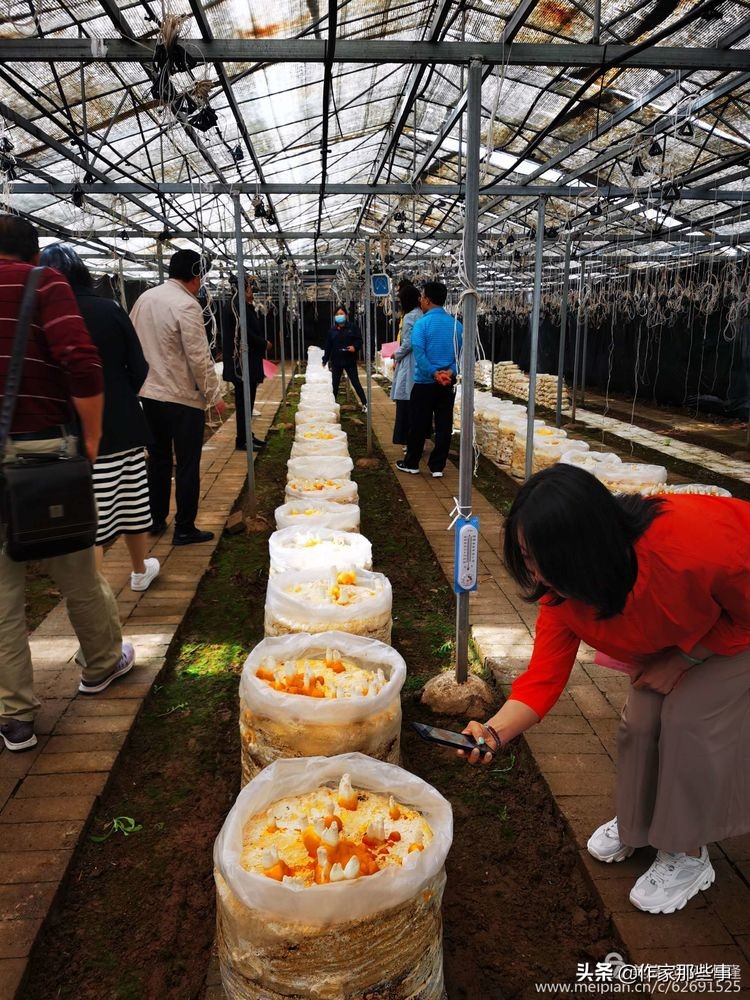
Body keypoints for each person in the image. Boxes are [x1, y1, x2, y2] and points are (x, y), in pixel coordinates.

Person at [461, 463, 750, 915]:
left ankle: (687, 851)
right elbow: (542, 679)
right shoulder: (562, 594)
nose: (535, 574)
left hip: (738, 625)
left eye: (542, 560)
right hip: (690, 626)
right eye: (526, 556)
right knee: (640, 722)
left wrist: (685, 658)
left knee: (689, 721)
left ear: (586, 551)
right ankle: (638, 826)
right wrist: (493, 734)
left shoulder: (697, 549)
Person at [0, 216, 135, 751]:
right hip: (40, 452)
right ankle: (102, 664)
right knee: (76, 565)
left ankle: (15, 716)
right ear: (33, 254)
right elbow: (81, 362)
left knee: (2, 596)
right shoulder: (43, 283)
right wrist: (93, 437)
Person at [39, 244, 159, 593]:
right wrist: (120, 395)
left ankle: (102, 589)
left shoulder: (44, 316)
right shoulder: (108, 309)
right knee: (132, 504)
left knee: (92, 516)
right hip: (122, 425)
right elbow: (139, 367)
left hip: (72, 431)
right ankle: (134, 574)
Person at [130, 249, 226, 546]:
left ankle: (155, 519)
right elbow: (198, 356)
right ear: (196, 276)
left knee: (157, 459)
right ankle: (184, 527)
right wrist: (214, 394)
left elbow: (131, 342)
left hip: (150, 394)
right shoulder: (186, 304)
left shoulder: (145, 299)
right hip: (181, 397)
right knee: (186, 463)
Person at [396, 281, 462, 479]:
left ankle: (412, 463)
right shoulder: (456, 325)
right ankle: (437, 466)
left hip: (425, 383)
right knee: (444, 425)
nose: (421, 301)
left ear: (428, 300)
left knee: (418, 423)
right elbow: (462, 356)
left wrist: (433, 373)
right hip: (446, 384)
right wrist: (449, 372)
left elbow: (420, 354)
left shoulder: (421, 324)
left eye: (422, 297)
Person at [222, 279, 271, 452]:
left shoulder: (240, 305)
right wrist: (263, 344)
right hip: (241, 366)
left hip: (246, 363)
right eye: (250, 289)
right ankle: (243, 441)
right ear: (242, 288)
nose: (252, 293)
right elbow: (245, 334)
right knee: (244, 404)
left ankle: (246, 437)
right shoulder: (236, 307)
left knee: (246, 403)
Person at [390, 282, 422, 448]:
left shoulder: (410, 317)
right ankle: (417, 440)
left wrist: (396, 354)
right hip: (419, 363)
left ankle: (409, 442)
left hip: (410, 363)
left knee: (407, 403)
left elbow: (409, 342)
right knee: (417, 405)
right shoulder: (422, 314)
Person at [322, 305, 368, 412]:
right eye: (337, 314)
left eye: (341, 314)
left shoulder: (353, 328)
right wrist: (325, 359)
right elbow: (328, 346)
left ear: (346, 315)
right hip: (336, 361)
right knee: (335, 384)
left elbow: (359, 340)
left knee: (355, 382)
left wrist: (355, 347)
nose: (339, 316)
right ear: (334, 317)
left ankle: (365, 404)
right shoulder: (332, 331)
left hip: (349, 360)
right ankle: (332, 405)